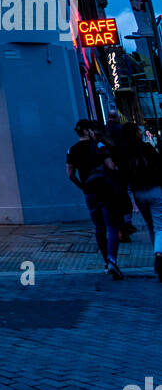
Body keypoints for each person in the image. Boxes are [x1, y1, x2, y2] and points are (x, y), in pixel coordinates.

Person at [66, 119, 123, 278]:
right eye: (91, 130)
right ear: (86, 131)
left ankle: (106, 261)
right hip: (105, 190)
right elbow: (111, 166)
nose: (93, 133)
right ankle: (112, 260)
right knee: (111, 226)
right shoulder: (99, 146)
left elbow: (70, 175)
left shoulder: (71, 150)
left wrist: (83, 187)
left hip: (89, 192)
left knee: (99, 227)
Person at [121, 124, 162, 281]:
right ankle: (159, 255)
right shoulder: (146, 148)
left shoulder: (124, 152)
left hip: (139, 193)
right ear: (137, 133)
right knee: (160, 226)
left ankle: (158, 254)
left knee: (152, 226)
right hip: (155, 189)